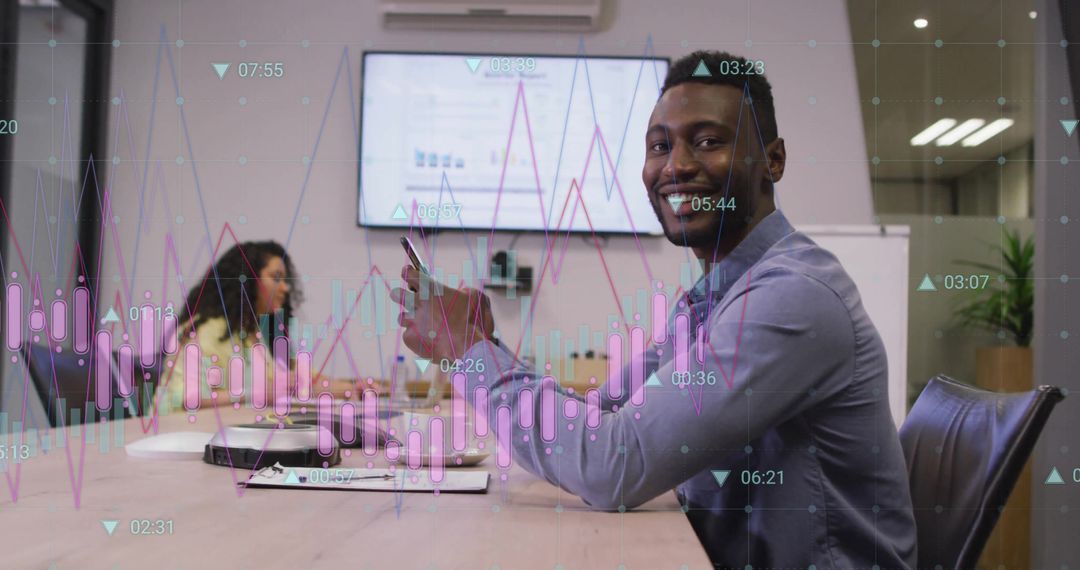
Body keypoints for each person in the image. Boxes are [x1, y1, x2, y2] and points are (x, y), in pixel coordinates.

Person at [391, 50, 917, 569]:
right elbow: (604, 416)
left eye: (708, 142)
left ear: (772, 161)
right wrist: (483, 346)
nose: (677, 166)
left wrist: (470, 351)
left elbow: (612, 465)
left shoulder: (792, 296)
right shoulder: (717, 296)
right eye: (660, 146)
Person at [156, 240, 349, 413]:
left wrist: (351, 388)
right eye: (276, 278)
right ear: (247, 280)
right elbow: (190, 399)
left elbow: (305, 381)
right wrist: (256, 393)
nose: (285, 288)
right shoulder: (205, 330)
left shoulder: (257, 333)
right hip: (178, 434)